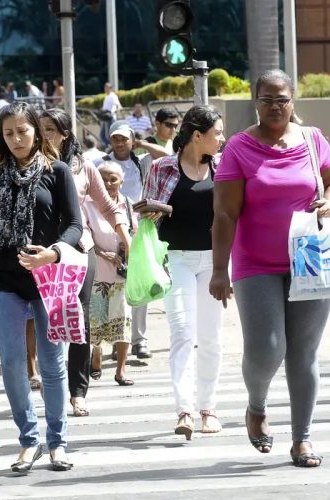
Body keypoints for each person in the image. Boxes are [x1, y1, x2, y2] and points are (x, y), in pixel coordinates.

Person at [210, 69, 330, 468]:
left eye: (282, 99)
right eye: (267, 100)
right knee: (267, 350)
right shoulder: (239, 149)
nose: (275, 107)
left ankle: (302, 440)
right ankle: (256, 405)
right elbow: (226, 214)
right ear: (255, 101)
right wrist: (218, 269)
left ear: (293, 100)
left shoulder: (313, 141)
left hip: (310, 261)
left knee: (304, 353)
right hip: (256, 263)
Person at [0, 101, 82, 472]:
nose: (15, 139)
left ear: (37, 132)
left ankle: (57, 442)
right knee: (13, 364)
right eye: (8, 133)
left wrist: (54, 253)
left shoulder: (58, 172)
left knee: (52, 364)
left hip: (49, 278)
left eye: (22, 131)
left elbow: (75, 226)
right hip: (5, 281)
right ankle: (28, 440)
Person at [40, 108, 131, 417]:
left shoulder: (85, 168)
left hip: (80, 250)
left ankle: (78, 392)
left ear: (65, 134)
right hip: (43, 252)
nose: (44, 135)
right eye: (41, 129)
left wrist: (125, 236)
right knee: (47, 319)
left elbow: (107, 205)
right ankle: (50, 381)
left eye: (50, 129)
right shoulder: (31, 165)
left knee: (80, 319)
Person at [143, 105, 225, 441]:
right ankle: (185, 410)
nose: (221, 139)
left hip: (214, 262)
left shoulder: (222, 168)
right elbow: (146, 214)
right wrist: (153, 212)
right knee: (182, 333)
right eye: (217, 133)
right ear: (196, 136)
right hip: (175, 259)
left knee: (210, 337)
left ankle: (208, 408)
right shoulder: (163, 167)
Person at [95, 120, 153, 360]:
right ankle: (115, 342)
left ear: (131, 140)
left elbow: (167, 153)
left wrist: (139, 143)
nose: (119, 142)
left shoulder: (141, 161)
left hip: (136, 229)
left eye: (124, 138)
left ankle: (139, 340)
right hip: (107, 230)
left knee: (138, 287)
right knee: (110, 288)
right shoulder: (100, 163)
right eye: (115, 138)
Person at [83, 161, 137, 386]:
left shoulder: (128, 204)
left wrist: (128, 246)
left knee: (123, 321)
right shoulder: (86, 205)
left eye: (113, 179)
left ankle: (121, 370)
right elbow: (82, 235)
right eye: (103, 178)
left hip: (122, 275)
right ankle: (96, 354)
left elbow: (134, 232)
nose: (108, 183)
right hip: (96, 273)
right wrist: (102, 253)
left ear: (122, 181)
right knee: (96, 324)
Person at [99, 82, 121, 149]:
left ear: (110, 88)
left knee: (110, 134)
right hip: (105, 117)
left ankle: (111, 147)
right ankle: (108, 147)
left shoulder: (113, 96)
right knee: (102, 135)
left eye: (107, 87)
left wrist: (114, 112)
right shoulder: (106, 96)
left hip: (110, 117)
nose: (106, 89)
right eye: (105, 87)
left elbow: (118, 105)